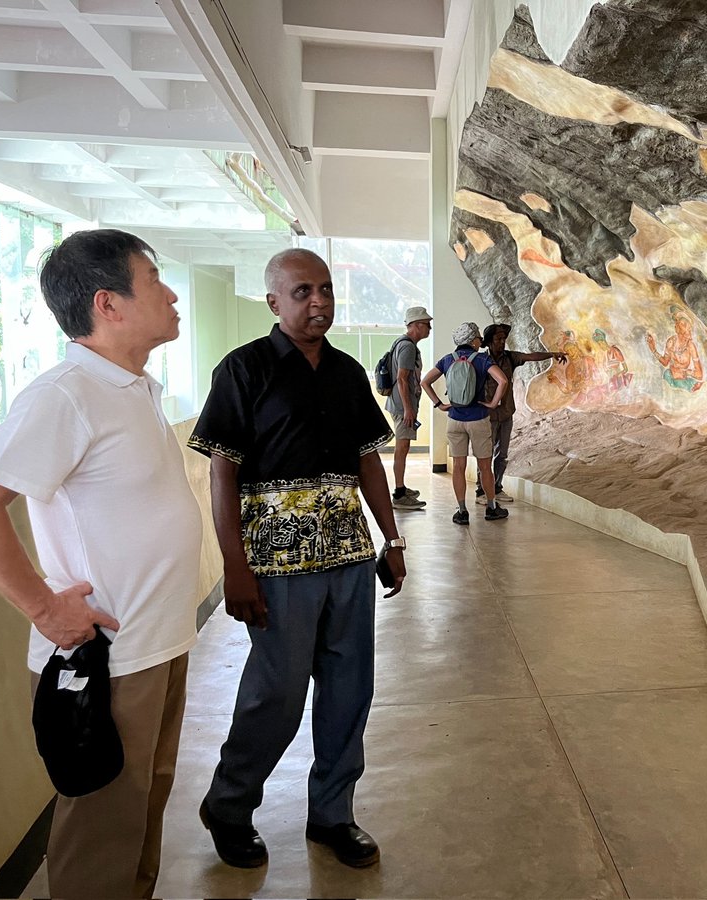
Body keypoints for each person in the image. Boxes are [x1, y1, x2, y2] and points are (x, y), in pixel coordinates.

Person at [0, 229, 200, 898]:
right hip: (107, 659)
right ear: (109, 303)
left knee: (143, 806)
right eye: (155, 280)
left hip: (158, 643)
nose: (173, 294)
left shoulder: (130, 388)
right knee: (100, 831)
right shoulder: (66, 393)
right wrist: (44, 607)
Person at [188, 248, 407, 871]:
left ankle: (332, 814)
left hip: (347, 555)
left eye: (328, 290)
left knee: (348, 690)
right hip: (276, 564)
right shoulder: (243, 369)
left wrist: (390, 540)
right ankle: (229, 805)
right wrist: (235, 565)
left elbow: (368, 460)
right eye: (304, 291)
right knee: (275, 694)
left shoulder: (346, 372)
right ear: (274, 301)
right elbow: (222, 473)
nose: (320, 302)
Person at [421, 323, 508, 524]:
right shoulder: (483, 359)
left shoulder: (447, 360)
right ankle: (492, 508)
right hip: (478, 418)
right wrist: (493, 403)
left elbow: (425, 382)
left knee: (458, 466)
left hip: (455, 420)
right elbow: (502, 381)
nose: (480, 341)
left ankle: (461, 511)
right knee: (485, 467)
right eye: (477, 338)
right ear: (471, 340)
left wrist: (439, 404)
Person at [474, 322, 566, 504]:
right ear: (490, 341)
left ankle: (497, 487)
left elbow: (530, 356)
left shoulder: (510, 358)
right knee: (486, 453)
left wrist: (552, 355)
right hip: (488, 416)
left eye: (504, 339)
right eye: (498, 339)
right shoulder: (481, 360)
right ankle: (482, 490)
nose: (502, 342)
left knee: (502, 454)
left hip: (506, 413)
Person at [385, 306, 432, 511]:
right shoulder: (408, 347)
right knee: (402, 448)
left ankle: (401, 488)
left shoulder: (403, 344)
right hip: (402, 405)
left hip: (400, 403)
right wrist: (408, 409)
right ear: (416, 325)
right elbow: (402, 379)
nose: (429, 328)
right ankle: (399, 494)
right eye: (427, 324)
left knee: (403, 448)